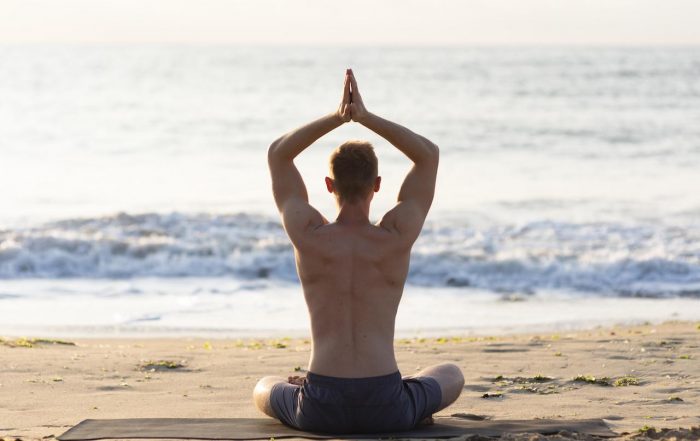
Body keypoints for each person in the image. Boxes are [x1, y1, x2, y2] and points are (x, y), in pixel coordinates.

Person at [254, 69, 464, 433]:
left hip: (319, 407)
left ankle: (301, 386)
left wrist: (337, 118)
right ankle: (408, 392)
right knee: (451, 374)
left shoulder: (308, 234)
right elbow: (429, 155)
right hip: (387, 405)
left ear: (328, 184)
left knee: (265, 387)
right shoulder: (396, 235)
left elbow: (278, 154)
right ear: (378, 185)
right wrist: (366, 118)